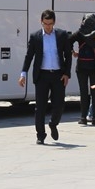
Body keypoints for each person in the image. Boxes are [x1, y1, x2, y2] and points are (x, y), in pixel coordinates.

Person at [18, 9, 72, 145]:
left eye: (50, 24)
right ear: (41, 22)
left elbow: (68, 55)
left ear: (54, 22)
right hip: (42, 75)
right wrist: (23, 73)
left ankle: (53, 123)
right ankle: (40, 135)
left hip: (58, 75)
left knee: (59, 104)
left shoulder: (61, 35)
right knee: (40, 107)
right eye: (45, 24)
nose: (48, 26)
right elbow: (29, 56)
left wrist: (67, 73)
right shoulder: (35, 36)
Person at [69, 13, 95, 126]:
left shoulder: (79, 33)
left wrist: (73, 52)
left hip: (81, 66)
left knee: (83, 92)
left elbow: (68, 40)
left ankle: (83, 117)